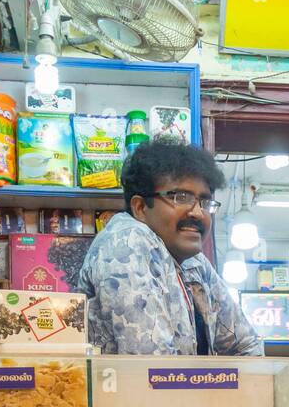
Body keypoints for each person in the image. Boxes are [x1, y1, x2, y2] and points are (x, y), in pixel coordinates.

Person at [79, 138, 263, 355]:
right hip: (126, 389)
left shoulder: (194, 262)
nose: (197, 212)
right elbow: (154, 367)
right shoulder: (126, 241)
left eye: (204, 201)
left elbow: (246, 345)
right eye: (181, 197)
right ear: (140, 207)